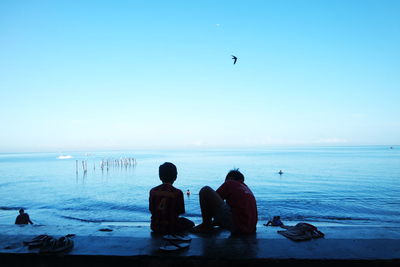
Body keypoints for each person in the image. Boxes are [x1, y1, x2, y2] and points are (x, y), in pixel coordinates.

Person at [192, 169, 258, 234]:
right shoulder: (246, 189)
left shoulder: (230, 182)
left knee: (205, 190)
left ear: (230, 178)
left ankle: (206, 226)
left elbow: (211, 203)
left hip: (237, 226)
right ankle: (211, 224)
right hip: (250, 229)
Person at [149, 162, 194, 234]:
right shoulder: (178, 193)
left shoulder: (153, 191)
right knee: (190, 223)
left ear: (160, 176)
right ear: (175, 177)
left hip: (155, 226)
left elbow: (151, 209)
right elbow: (180, 211)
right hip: (172, 227)